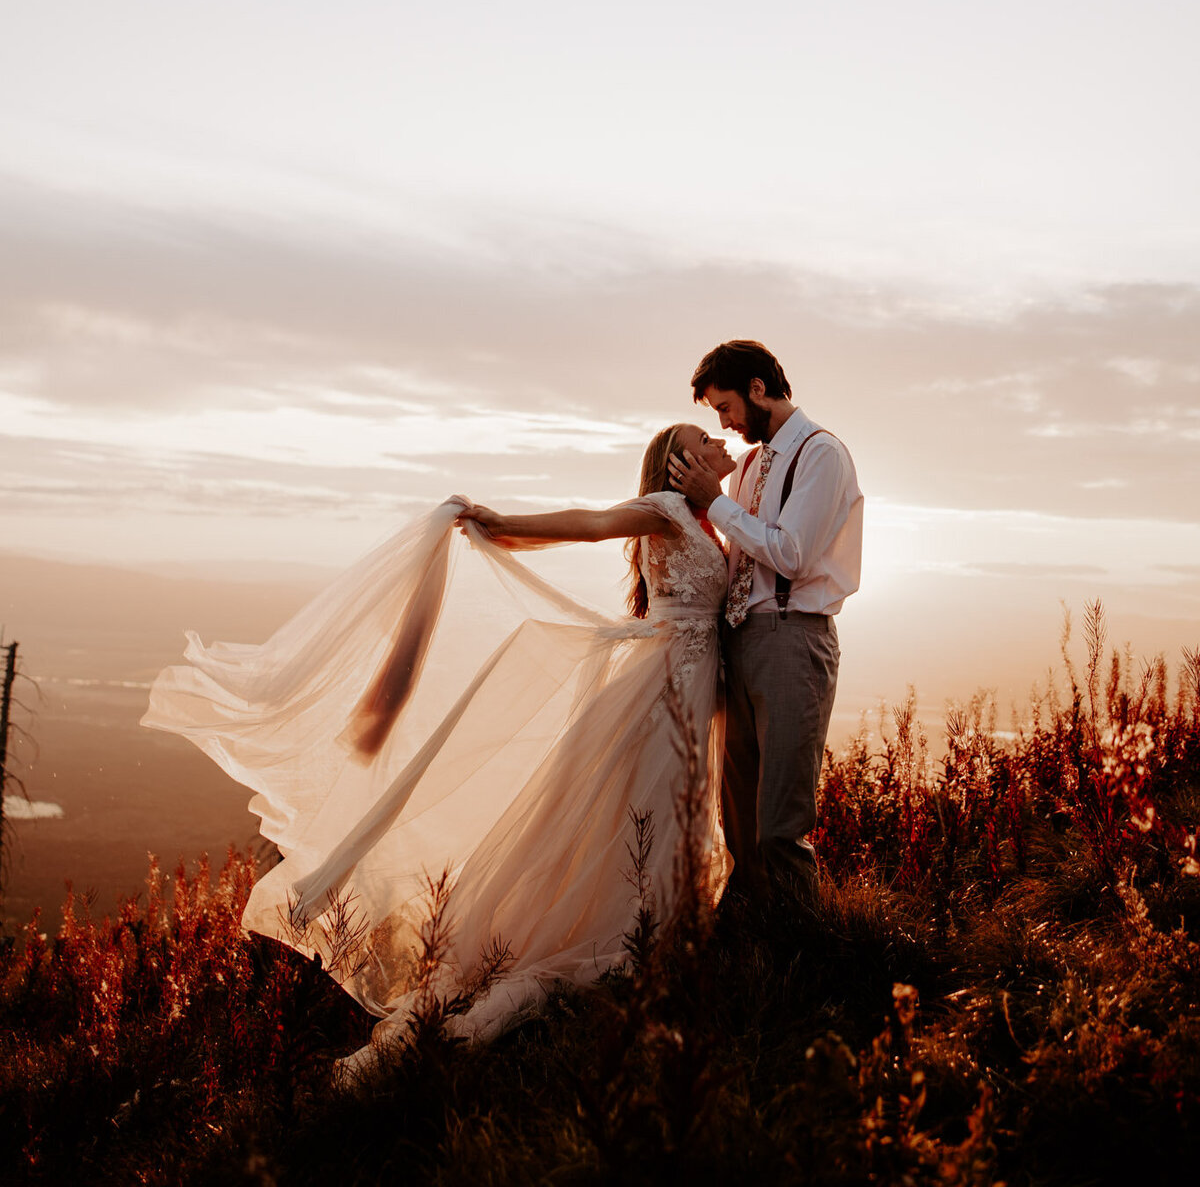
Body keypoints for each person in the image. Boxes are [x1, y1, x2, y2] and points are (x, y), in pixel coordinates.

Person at [142, 421, 736, 1070]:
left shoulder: (707, 518)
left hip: (687, 685)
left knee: (656, 813)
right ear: (679, 464)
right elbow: (587, 523)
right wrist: (500, 521)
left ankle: (661, 931)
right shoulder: (666, 508)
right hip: (666, 692)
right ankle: (639, 939)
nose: (716, 447)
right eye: (703, 442)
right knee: (651, 808)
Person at [668, 340, 863, 902]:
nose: (725, 423)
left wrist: (718, 503)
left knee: (780, 822)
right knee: (739, 819)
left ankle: (801, 952)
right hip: (740, 642)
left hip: (792, 640)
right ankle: (748, 948)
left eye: (726, 407)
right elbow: (739, 556)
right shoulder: (751, 463)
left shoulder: (822, 454)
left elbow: (791, 554)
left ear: (758, 389)